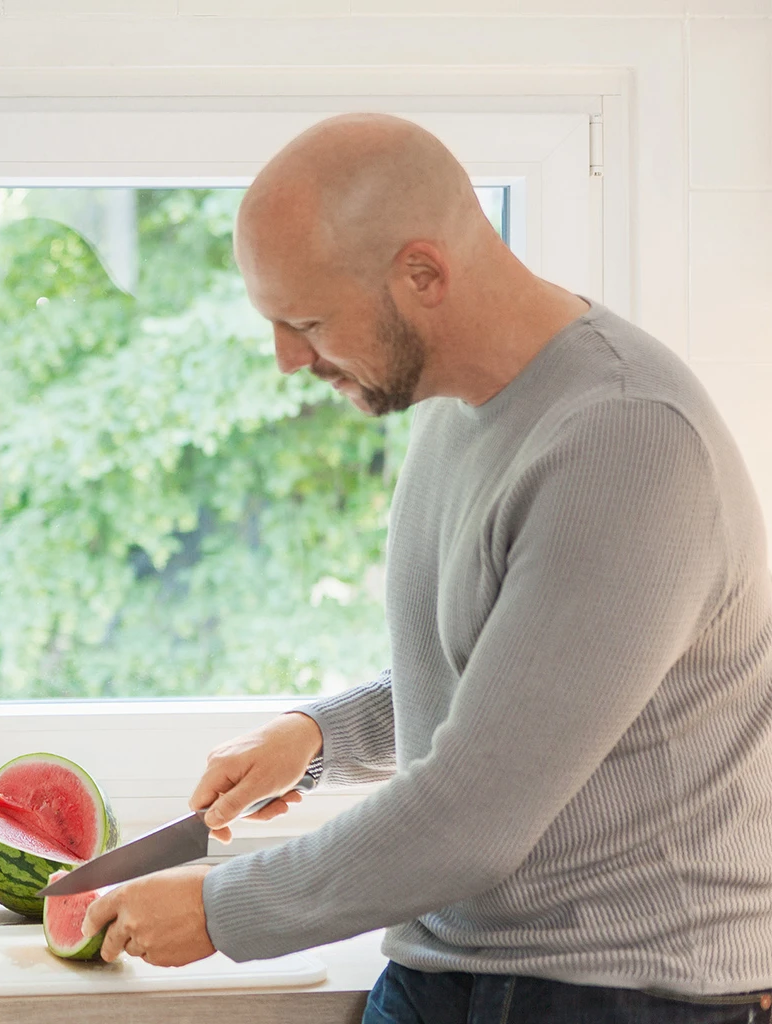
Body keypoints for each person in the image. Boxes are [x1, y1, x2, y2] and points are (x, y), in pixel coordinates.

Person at [79, 113, 772, 1024]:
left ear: (423, 273)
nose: (288, 360)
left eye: (309, 321)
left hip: (622, 993)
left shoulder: (627, 439)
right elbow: (504, 678)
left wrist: (221, 908)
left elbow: (469, 817)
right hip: (448, 969)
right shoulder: (454, 407)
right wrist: (319, 738)